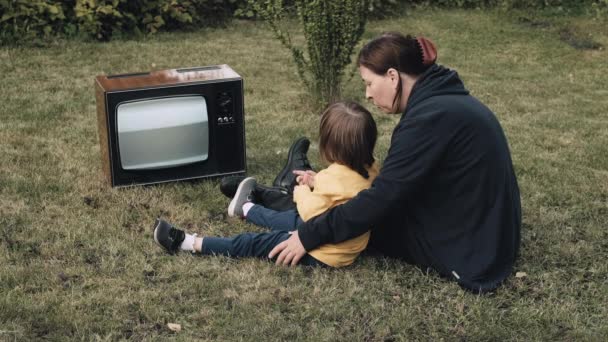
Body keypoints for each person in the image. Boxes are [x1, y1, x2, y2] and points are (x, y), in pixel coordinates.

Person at [267, 33, 522, 293]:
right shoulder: (445, 101)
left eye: (368, 83)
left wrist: (309, 236)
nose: (367, 94)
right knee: (356, 203)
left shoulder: (430, 118)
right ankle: (294, 189)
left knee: (354, 210)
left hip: (469, 252)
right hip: (488, 236)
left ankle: (291, 192)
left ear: (392, 76)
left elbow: (382, 198)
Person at [153, 101, 379, 268]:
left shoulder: (335, 178)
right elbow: (340, 192)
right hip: (341, 242)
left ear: (331, 148)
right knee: (286, 219)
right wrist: (316, 179)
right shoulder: (371, 168)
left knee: (254, 243)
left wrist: (302, 191)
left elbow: (310, 212)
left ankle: (187, 243)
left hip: (323, 252)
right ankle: (246, 207)